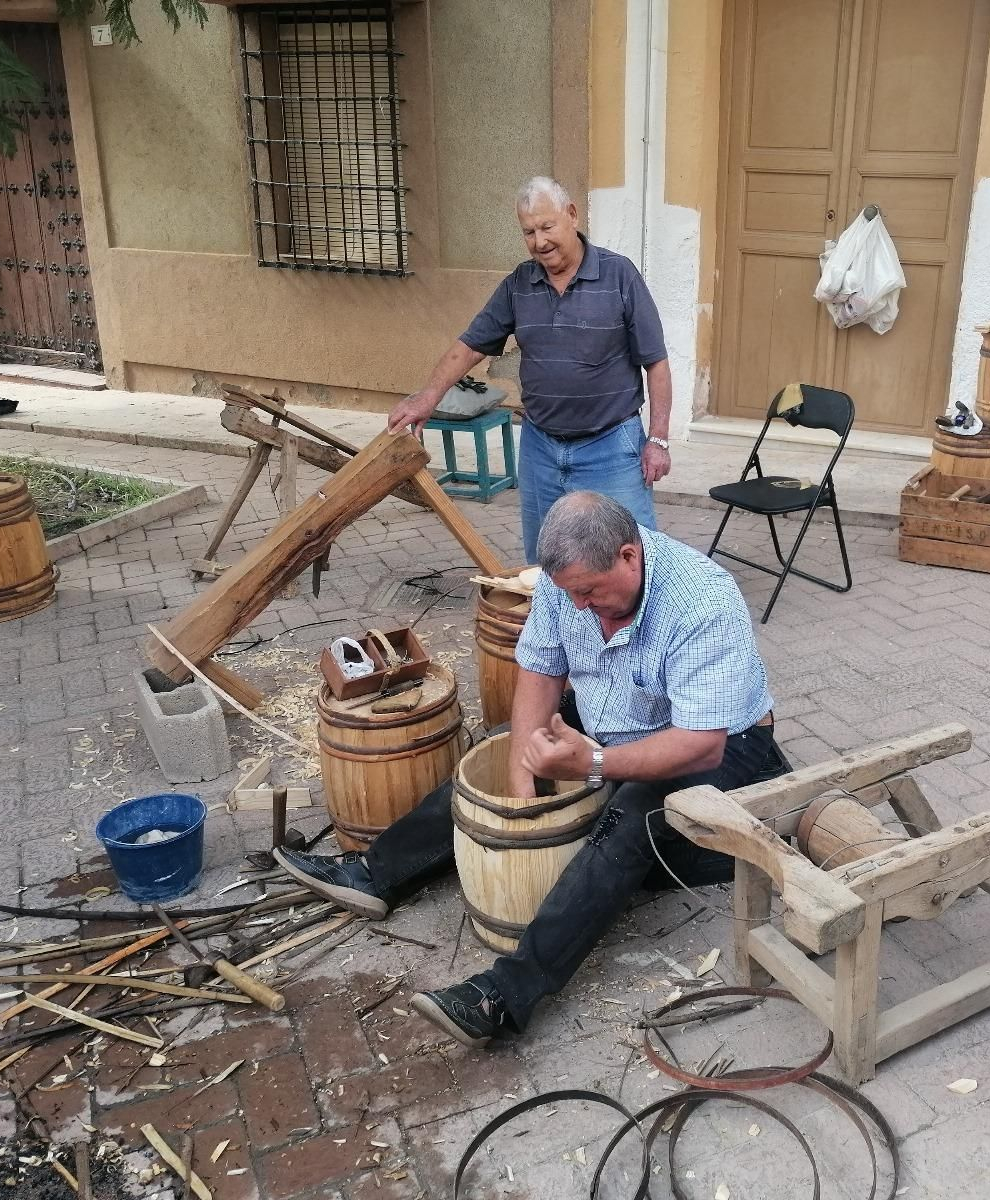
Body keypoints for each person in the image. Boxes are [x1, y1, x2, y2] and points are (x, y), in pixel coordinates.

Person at [273, 492, 788, 1046]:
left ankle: (507, 996)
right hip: (617, 722)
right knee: (499, 748)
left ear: (629, 556)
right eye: (571, 594)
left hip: (730, 749)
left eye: (590, 591)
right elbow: (540, 672)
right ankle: (375, 876)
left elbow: (701, 745)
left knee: (631, 815)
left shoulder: (702, 599)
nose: (582, 606)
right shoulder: (566, 585)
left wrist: (593, 763)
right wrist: (522, 776)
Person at [386, 177, 673, 564]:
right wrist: (427, 397)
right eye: (529, 232)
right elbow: (470, 346)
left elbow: (655, 361)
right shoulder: (519, 284)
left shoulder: (619, 276)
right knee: (546, 560)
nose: (540, 242)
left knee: (634, 557)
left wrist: (658, 439)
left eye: (547, 227)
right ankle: (556, 626)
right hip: (541, 446)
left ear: (571, 215)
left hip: (611, 446)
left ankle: (639, 625)